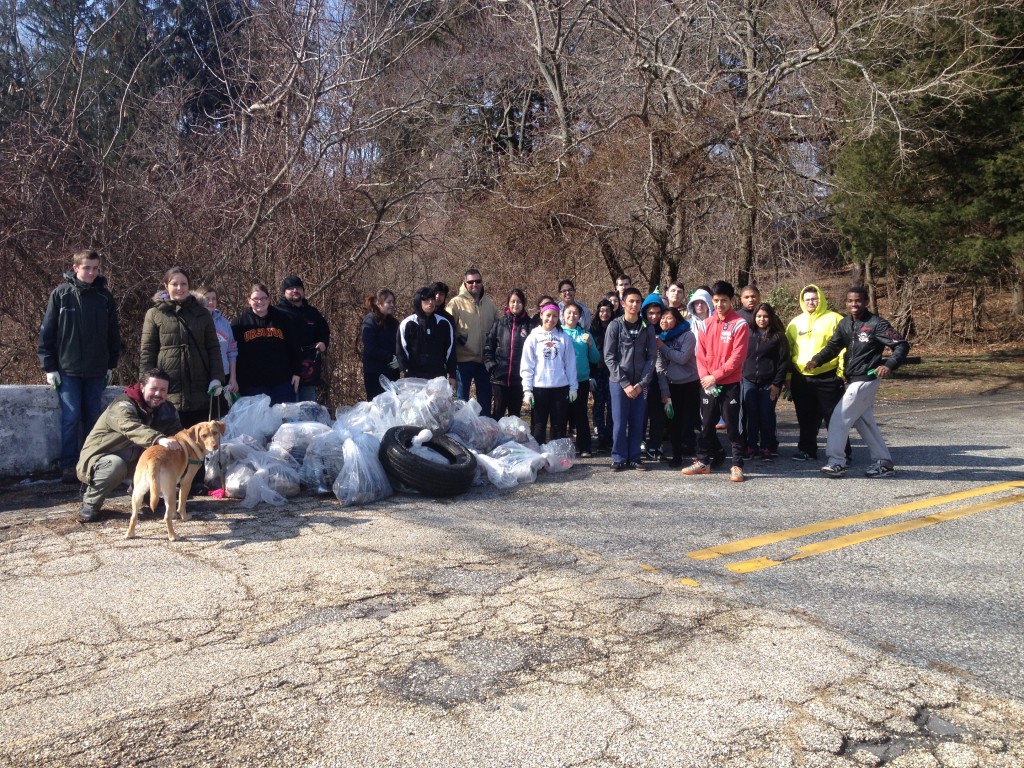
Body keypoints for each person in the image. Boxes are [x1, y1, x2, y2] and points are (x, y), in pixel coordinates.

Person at [38, 248, 121, 483]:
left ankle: (91, 463)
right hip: (68, 369)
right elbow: (47, 333)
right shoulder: (61, 295)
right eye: (87, 268)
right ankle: (68, 466)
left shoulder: (105, 297)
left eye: (95, 268)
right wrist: (49, 367)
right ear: (75, 268)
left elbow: (112, 333)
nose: (92, 272)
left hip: (96, 370)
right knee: (71, 417)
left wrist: (110, 365)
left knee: (94, 418)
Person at [809, 286, 910, 478]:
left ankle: (837, 461)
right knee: (864, 422)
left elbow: (901, 345)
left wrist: (889, 364)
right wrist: (817, 360)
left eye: (858, 301)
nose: (853, 304)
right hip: (851, 378)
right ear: (846, 303)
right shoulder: (845, 324)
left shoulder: (876, 324)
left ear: (866, 302)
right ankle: (884, 462)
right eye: (850, 301)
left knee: (839, 418)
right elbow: (833, 346)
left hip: (867, 377)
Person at [76, 368, 182, 522]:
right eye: (153, 389)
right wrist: (159, 439)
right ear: (142, 387)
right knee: (115, 465)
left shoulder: (168, 410)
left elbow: (177, 434)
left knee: (159, 460)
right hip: (102, 458)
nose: (158, 394)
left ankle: (145, 492)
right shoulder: (122, 405)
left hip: (136, 460)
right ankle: (91, 504)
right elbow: (131, 428)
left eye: (163, 390)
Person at [682, 280, 750, 482]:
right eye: (717, 301)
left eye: (724, 301)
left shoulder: (740, 324)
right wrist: (705, 378)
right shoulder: (704, 324)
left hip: (729, 384)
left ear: (731, 300)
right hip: (707, 383)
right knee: (706, 424)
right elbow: (700, 355)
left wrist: (715, 376)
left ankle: (737, 465)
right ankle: (703, 461)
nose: (720, 305)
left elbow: (737, 358)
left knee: (732, 425)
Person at [140, 267, 224, 428]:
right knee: (172, 441)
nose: (179, 288)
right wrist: (145, 383)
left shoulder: (202, 313)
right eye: (174, 284)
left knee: (200, 441)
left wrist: (217, 378)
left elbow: (213, 348)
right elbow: (147, 351)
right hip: (169, 385)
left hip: (200, 385)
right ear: (166, 286)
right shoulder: (155, 313)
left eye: (183, 284)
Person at [786, 285, 848, 462]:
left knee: (834, 417)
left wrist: (841, 373)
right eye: (807, 300)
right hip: (801, 377)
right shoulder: (795, 323)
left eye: (814, 299)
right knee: (805, 417)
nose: (811, 302)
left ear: (820, 299)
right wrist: (789, 378)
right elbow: (788, 352)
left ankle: (842, 452)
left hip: (828, 375)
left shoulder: (835, 319)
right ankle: (807, 450)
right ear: (802, 302)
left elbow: (844, 348)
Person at [604, 287, 657, 471]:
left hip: (640, 383)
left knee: (637, 421)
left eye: (637, 301)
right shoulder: (615, 326)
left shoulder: (647, 327)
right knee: (619, 422)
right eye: (631, 301)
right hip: (619, 383)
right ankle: (618, 457)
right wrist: (625, 384)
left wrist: (641, 383)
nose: (634, 305)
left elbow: (652, 357)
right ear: (623, 303)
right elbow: (609, 357)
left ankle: (635, 457)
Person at [232, 283, 301, 404]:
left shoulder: (282, 319)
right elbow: (232, 353)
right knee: (258, 421)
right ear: (249, 300)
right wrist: (233, 378)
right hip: (252, 384)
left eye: (263, 298)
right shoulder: (239, 323)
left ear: (269, 300)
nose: (260, 301)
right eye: (256, 299)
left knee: (284, 420)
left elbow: (294, 346)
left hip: (282, 383)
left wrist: (296, 372)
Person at [520, 302, 577, 444]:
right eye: (548, 315)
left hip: (560, 387)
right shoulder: (533, 338)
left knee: (559, 426)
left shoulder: (564, 338)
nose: (551, 319)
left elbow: (570, 364)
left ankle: (558, 458)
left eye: (555, 316)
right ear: (541, 315)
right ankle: (539, 457)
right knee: (539, 425)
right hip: (539, 388)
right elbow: (527, 365)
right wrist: (527, 390)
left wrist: (573, 387)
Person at [447, 268, 501, 417]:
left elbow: (498, 327)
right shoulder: (455, 303)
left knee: (485, 400)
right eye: (470, 282)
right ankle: (460, 433)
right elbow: (448, 330)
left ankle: (485, 432)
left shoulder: (489, 303)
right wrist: (461, 338)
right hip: (463, 361)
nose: (474, 284)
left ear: (482, 282)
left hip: (484, 361)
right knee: (461, 402)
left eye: (478, 281)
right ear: (465, 283)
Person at [742, 303, 788, 462]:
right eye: (759, 316)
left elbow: (783, 362)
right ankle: (751, 446)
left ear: (771, 317)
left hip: (769, 383)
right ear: (754, 316)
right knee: (750, 414)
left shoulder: (778, 336)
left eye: (766, 316)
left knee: (766, 414)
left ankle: (767, 447)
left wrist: (777, 384)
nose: (762, 319)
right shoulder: (747, 332)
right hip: (748, 380)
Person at [656, 307, 698, 467]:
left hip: (690, 384)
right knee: (674, 423)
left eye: (668, 317)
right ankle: (677, 456)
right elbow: (659, 366)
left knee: (694, 421)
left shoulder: (688, 335)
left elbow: (682, 358)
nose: (664, 320)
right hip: (672, 386)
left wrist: (663, 348)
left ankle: (713, 451)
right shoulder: (661, 338)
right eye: (662, 318)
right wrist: (664, 391)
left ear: (678, 320)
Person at [276, 276, 330, 402]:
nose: (295, 290)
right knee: (290, 407)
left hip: (308, 364)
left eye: (298, 287)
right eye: (290, 288)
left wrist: (323, 342)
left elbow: (324, 331)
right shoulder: (277, 312)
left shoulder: (312, 312)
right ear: (284, 292)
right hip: (286, 366)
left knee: (307, 405)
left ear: (303, 291)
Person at [483, 288, 531, 418]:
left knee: (515, 415)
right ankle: (496, 438)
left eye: (519, 301)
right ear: (508, 303)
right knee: (498, 413)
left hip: (519, 380)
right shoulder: (499, 324)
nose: (516, 305)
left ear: (524, 303)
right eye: (513, 301)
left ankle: (513, 439)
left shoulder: (530, 325)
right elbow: (488, 347)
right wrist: (492, 367)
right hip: (500, 380)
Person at [561, 301, 600, 457]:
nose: (572, 316)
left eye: (575, 313)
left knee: (581, 415)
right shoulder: (559, 334)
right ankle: (561, 449)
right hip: (562, 381)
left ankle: (584, 447)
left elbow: (596, 358)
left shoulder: (585, 334)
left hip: (581, 381)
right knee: (562, 415)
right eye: (569, 313)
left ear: (580, 316)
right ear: (563, 316)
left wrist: (590, 344)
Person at [397, 286, 457, 386]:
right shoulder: (408, 323)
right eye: (426, 299)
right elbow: (401, 351)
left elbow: (450, 351)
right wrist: (407, 371)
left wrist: (452, 375)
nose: (431, 302)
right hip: (414, 378)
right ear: (418, 301)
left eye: (432, 299)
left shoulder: (444, 323)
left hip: (438, 377)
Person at [196, 286, 239, 400]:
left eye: (214, 299)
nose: (211, 302)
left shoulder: (224, 323)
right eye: (207, 298)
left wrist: (233, 378)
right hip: (201, 377)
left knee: (222, 415)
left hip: (223, 375)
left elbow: (232, 351)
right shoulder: (194, 322)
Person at [640, 292, 667, 461]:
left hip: (661, 379)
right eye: (651, 313)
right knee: (641, 413)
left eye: (658, 313)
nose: (654, 316)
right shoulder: (639, 328)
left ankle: (656, 444)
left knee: (658, 415)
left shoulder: (666, 330)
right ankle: (640, 441)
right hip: (642, 378)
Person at [360, 289, 400, 400]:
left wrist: (399, 359)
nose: (392, 305)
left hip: (392, 372)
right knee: (377, 406)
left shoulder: (394, 323)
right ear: (379, 304)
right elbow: (371, 347)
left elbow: (399, 344)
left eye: (393, 302)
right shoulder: (370, 320)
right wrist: (390, 357)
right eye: (388, 302)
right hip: (375, 373)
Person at [589, 299, 615, 452]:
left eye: (607, 311)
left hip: (612, 373)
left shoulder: (617, 327)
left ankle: (610, 437)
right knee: (598, 406)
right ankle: (600, 437)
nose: (604, 314)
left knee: (612, 406)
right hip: (597, 372)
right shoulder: (592, 330)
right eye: (602, 311)